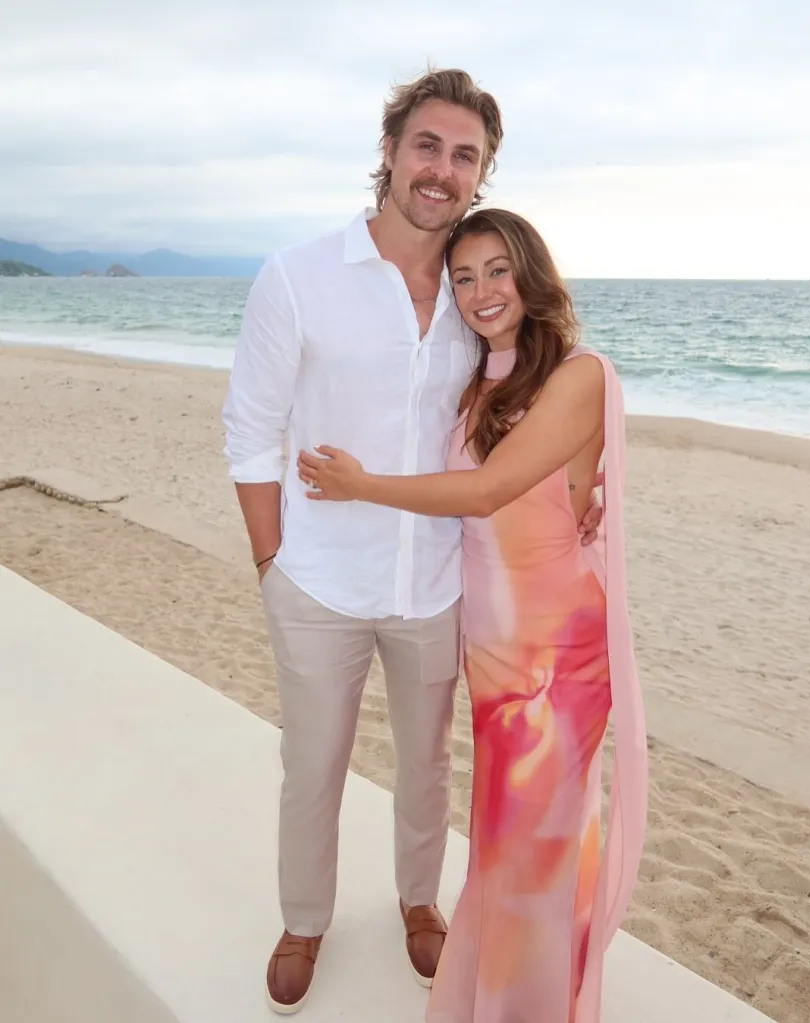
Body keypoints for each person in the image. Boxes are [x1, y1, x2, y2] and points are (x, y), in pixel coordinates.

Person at [222, 69, 602, 1015]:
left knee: (428, 763)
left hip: (438, 583)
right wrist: (272, 563)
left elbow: (539, 407)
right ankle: (304, 920)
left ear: (481, 174)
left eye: (463, 155)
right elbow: (249, 429)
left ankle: (418, 901)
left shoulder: (483, 298)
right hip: (316, 577)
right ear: (389, 151)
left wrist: (583, 482)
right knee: (310, 764)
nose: (441, 169)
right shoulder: (298, 275)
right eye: (426, 146)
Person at [296, 208, 649, 1023]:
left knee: (534, 847)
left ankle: (521, 1006)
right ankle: (505, 993)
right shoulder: (483, 378)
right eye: (462, 276)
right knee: (503, 840)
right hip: (487, 649)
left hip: (554, 657)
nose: (480, 290)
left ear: (532, 272)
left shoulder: (579, 374)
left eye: (496, 270)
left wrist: (363, 484)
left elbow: (488, 493)